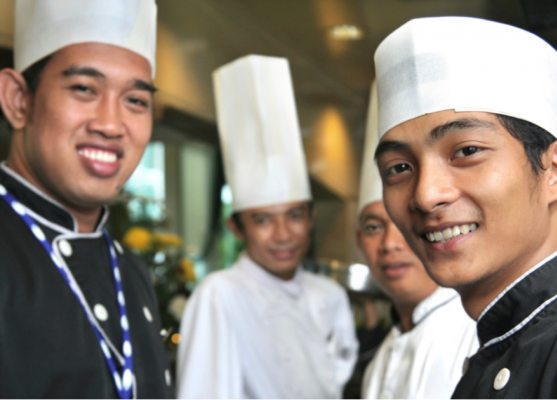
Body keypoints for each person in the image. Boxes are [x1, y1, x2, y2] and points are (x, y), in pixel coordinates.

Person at [373, 16, 557, 399]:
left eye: (467, 151)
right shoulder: (491, 349)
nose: (426, 195)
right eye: (399, 168)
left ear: (556, 171)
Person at [0, 1, 174, 399]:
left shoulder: (131, 270)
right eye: (83, 88)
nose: (111, 124)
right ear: (18, 99)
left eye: (135, 100)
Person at [177, 55, 358, 400]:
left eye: (294, 215)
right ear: (236, 227)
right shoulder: (219, 294)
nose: (283, 234)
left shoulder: (329, 296)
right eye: (262, 220)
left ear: (311, 218)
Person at [357, 83, 477, 400]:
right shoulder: (379, 362)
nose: (389, 244)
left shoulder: (475, 335)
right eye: (373, 227)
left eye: (399, 222)